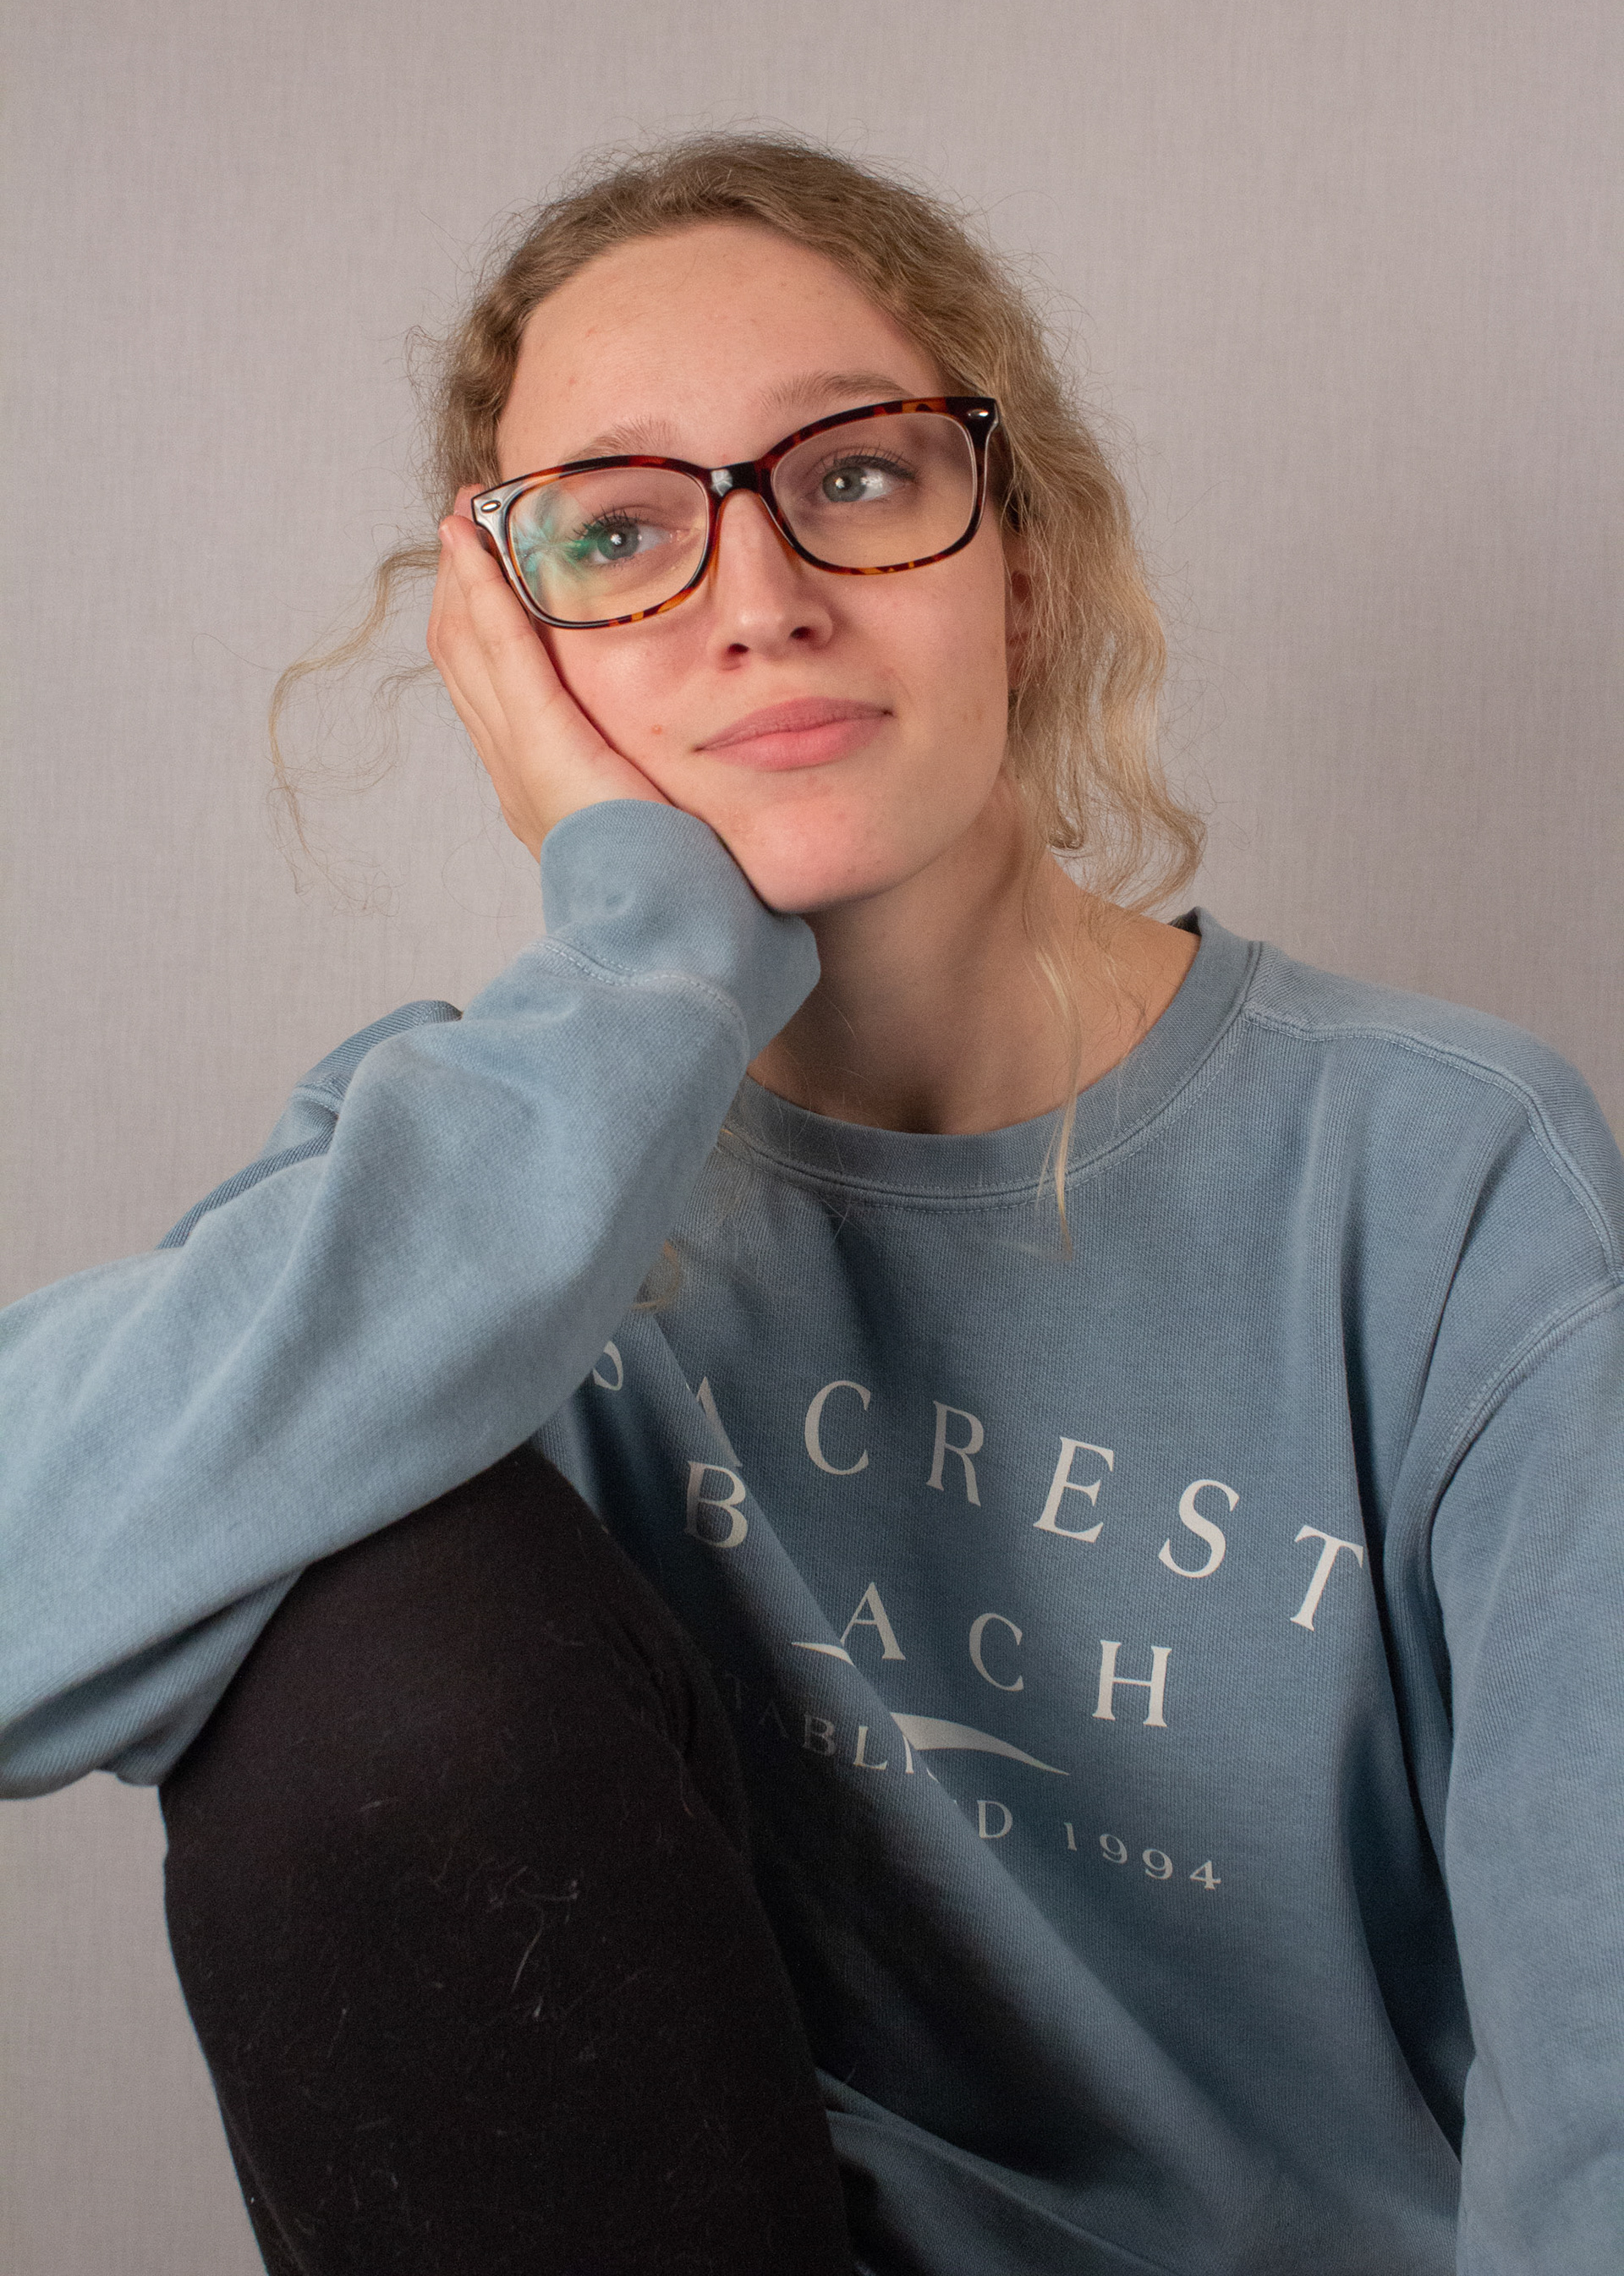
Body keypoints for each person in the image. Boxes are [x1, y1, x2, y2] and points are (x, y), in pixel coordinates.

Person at [2, 134, 1621, 2276]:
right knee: (346, 1626)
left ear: (1021, 561)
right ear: (512, 661)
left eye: (854, 477)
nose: (758, 598)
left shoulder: (1440, 1179)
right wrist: (638, 967)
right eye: (618, 532)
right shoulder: (479, 1177)